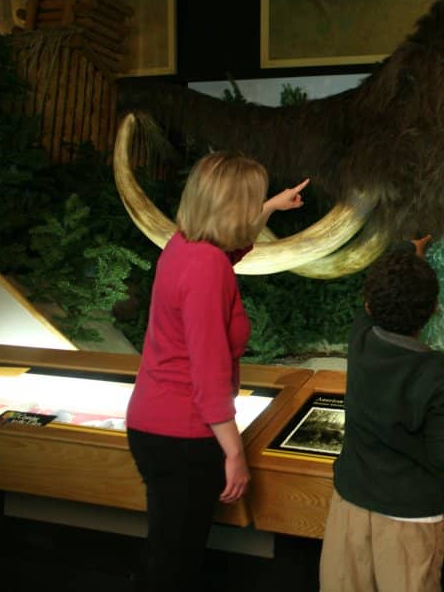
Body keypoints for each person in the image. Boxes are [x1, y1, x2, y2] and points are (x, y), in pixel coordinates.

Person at [126, 152, 308, 591]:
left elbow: (229, 247)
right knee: (175, 567)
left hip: (154, 425)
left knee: (167, 552)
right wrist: (234, 453)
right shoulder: (209, 268)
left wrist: (269, 208)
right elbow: (209, 378)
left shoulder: (182, 244)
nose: (257, 204)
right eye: (253, 199)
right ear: (232, 206)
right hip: (185, 436)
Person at [320, 236, 444, 592]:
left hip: (350, 504)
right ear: (433, 310)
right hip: (409, 520)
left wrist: (410, 252)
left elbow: (378, 298)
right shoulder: (435, 377)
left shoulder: (361, 341)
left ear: (368, 305)